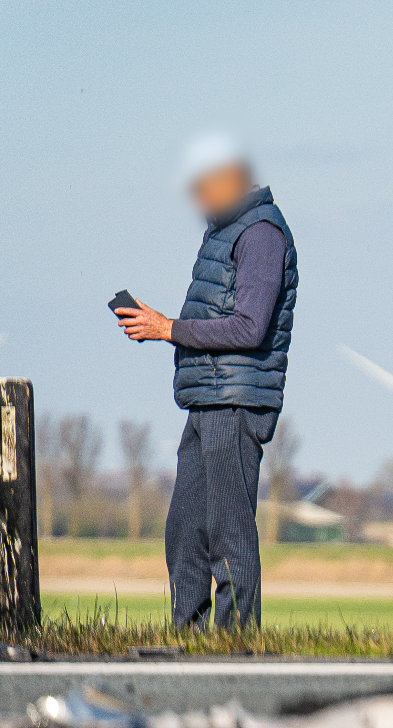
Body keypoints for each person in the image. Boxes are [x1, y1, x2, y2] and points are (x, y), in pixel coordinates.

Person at [116, 133, 298, 629]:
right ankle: (190, 640)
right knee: (185, 532)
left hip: (235, 401)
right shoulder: (224, 232)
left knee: (228, 533)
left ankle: (236, 645)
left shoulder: (260, 234)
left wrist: (167, 329)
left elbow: (249, 325)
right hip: (205, 398)